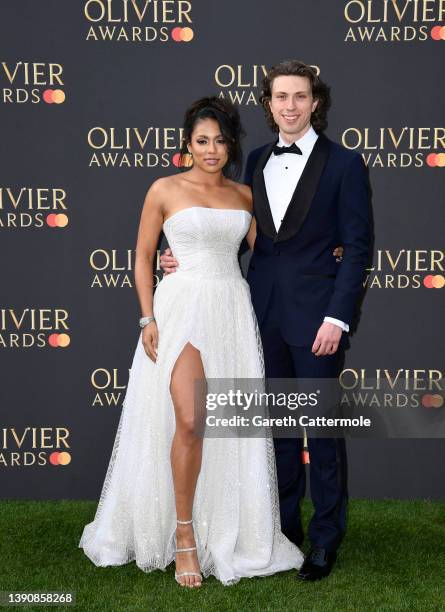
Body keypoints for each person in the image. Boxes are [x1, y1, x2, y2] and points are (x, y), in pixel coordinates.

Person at [79, 96, 304, 588]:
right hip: (179, 307)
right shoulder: (163, 189)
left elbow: (271, 258)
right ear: (187, 143)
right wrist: (146, 317)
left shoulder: (246, 196)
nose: (212, 149)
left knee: (221, 427)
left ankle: (221, 530)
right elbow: (141, 255)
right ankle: (184, 536)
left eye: (221, 141)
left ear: (231, 145)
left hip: (230, 309)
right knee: (189, 418)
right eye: (203, 140)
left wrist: (322, 252)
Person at [161, 60, 372, 581]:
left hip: (318, 320)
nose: (291, 106)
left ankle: (325, 538)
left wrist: (338, 319)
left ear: (315, 102)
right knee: (274, 433)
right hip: (256, 318)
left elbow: (359, 247)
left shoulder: (345, 164)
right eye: (281, 97)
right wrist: (177, 260)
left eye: (300, 97)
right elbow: (232, 235)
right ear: (269, 103)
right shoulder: (254, 160)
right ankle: (281, 530)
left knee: (321, 433)